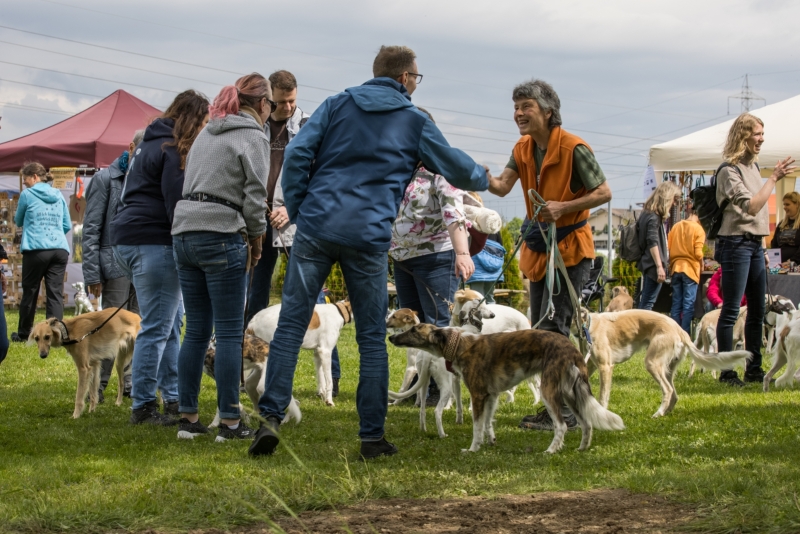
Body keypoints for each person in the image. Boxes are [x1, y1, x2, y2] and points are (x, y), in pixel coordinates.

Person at [250, 45, 488, 459]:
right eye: (416, 77)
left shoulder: (337, 103)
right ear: (404, 79)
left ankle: (270, 420)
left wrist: (305, 209)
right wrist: (490, 179)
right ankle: (371, 438)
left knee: (291, 325)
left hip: (318, 227)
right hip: (369, 235)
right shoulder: (412, 119)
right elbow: (457, 167)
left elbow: (296, 153)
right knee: (370, 340)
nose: (415, 84)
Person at [486, 79, 611, 432]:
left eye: (526, 106)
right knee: (541, 330)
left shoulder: (574, 148)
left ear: (548, 112)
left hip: (571, 250)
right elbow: (501, 186)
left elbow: (603, 192)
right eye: (516, 107)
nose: (518, 113)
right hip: (539, 248)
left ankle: (566, 411)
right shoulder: (523, 148)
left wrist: (564, 207)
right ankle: (561, 406)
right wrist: (474, 174)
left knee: (554, 330)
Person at [172, 74, 272, 442]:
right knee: (230, 331)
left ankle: (188, 419)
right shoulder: (254, 136)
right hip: (221, 232)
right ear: (263, 105)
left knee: (195, 329)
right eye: (272, 105)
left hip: (184, 232)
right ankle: (230, 421)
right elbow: (254, 197)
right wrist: (257, 242)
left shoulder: (206, 133)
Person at [110, 90, 209, 425]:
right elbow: (175, 203)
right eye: (204, 122)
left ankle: (172, 396)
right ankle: (142, 406)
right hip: (154, 241)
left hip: (128, 237)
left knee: (168, 325)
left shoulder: (147, 143)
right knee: (156, 327)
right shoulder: (172, 148)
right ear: (193, 119)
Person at [260, 70, 343, 397]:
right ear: (269, 99)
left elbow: (322, 174)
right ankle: (248, 369)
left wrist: (291, 208)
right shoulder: (257, 125)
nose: (287, 107)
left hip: (298, 220)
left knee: (315, 301)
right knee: (254, 296)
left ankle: (331, 377)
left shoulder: (311, 125)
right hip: (259, 219)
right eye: (280, 102)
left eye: (292, 100)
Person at [389, 108, 474, 405]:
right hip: (402, 258)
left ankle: (443, 389)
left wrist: (462, 253)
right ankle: (422, 385)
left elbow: (454, 213)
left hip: (435, 257)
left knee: (439, 326)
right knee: (414, 328)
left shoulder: (443, 169)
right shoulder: (403, 167)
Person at [714, 113, 795, 386]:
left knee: (758, 310)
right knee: (732, 310)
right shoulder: (729, 170)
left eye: (762, 134)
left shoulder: (753, 167)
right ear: (743, 135)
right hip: (735, 243)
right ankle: (726, 372)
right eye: (757, 134)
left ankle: (754, 369)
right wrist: (773, 179)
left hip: (754, 243)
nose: (761, 139)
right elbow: (751, 206)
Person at [82, 129, 144, 403]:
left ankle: (129, 384)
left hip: (142, 262)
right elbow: (91, 228)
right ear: (132, 148)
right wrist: (93, 273)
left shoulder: (145, 177)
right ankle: (99, 385)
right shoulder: (105, 178)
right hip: (114, 264)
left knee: (137, 328)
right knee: (110, 328)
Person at [11, 162, 71, 343]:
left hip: (36, 248)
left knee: (30, 291)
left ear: (35, 177)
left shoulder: (27, 195)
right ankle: (56, 335)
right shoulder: (58, 194)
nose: (25, 184)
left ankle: (23, 334)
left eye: (26, 180)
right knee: (55, 293)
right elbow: (67, 225)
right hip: (59, 249)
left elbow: (18, 220)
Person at [635, 181, 680, 311]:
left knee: (645, 302)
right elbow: (652, 241)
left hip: (647, 263)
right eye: (674, 199)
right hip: (652, 265)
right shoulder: (654, 217)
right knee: (648, 304)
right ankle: (641, 331)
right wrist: (660, 266)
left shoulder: (646, 214)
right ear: (667, 197)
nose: (674, 203)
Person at [667, 206, 705, 333]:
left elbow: (669, 248)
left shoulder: (676, 226)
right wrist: (702, 262)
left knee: (676, 304)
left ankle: (674, 335)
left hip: (676, 268)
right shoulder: (698, 229)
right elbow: (698, 253)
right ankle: (685, 336)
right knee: (688, 306)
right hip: (690, 270)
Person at [467, 232, 505, 304]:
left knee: (477, 299)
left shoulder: (472, 227)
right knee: (490, 298)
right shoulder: (495, 229)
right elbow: (500, 246)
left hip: (477, 271)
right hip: (492, 270)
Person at [770, 192, 800, 264]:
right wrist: (774, 261)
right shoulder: (781, 224)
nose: (784, 207)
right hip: (778, 265)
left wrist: (792, 261)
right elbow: (774, 244)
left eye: (787, 204)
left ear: (797, 204)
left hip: (795, 266)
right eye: (784, 204)